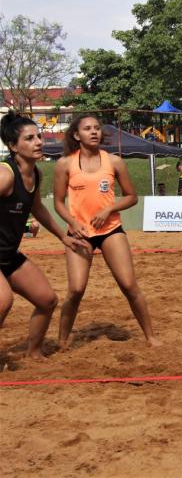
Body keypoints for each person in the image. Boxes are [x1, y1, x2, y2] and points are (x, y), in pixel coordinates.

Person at [53, 114, 161, 348]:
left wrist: (109, 209)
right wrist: (72, 223)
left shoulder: (114, 161)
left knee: (129, 285)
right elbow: (58, 202)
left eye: (97, 128)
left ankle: (151, 337)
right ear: (76, 135)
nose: (94, 132)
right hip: (80, 233)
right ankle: (62, 341)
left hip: (111, 230)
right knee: (76, 289)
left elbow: (132, 197)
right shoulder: (65, 164)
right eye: (87, 129)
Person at [0, 111, 87, 356]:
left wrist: (63, 236)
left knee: (47, 300)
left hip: (8, 256)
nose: (38, 142)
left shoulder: (36, 174)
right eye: (29, 138)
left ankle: (34, 354)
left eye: (39, 136)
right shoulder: (5, 175)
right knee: (3, 301)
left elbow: (37, 208)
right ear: (13, 146)